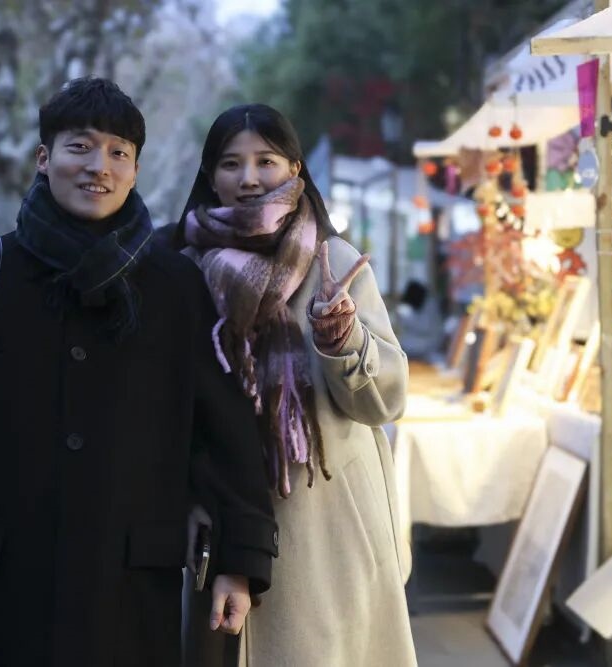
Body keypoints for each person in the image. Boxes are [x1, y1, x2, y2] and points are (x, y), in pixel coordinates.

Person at [0, 78, 278, 666]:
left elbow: (225, 433)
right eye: (80, 147)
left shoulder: (175, 286)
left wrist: (239, 563)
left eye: (119, 152)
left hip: (132, 592)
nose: (99, 167)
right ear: (44, 158)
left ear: (135, 171)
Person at [177, 104, 416, 666]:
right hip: (224, 517)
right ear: (210, 175)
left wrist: (342, 339)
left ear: (295, 169)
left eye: (266, 160)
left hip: (328, 526)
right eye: (231, 163)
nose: (249, 177)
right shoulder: (184, 268)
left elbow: (386, 400)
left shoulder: (335, 260)